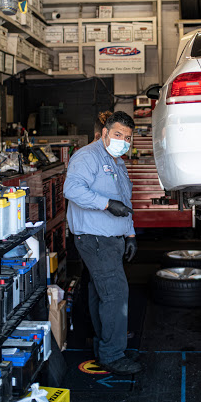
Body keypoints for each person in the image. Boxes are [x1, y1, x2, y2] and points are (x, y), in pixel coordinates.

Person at [63, 110, 142, 375]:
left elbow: (125, 201)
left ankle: (105, 343)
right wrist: (106, 204)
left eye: (127, 137)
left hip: (112, 238)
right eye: (118, 134)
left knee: (102, 293)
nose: (123, 140)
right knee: (116, 294)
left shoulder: (117, 161)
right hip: (95, 238)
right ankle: (112, 354)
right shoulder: (88, 156)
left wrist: (130, 234)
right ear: (105, 133)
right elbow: (72, 190)